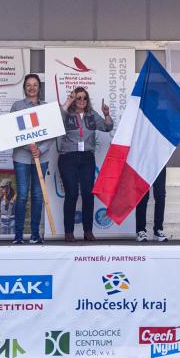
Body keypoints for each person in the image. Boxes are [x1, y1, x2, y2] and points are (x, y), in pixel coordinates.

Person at [58, 87, 113, 242]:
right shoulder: (66, 113)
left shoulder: (92, 115)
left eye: (84, 98)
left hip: (87, 158)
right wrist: (68, 101)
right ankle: (68, 232)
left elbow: (107, 127)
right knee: (72, 194)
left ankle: (88, 231)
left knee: (88, 194)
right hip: (68, 157)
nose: (82, 101)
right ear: (74, 99)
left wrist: (106, 114)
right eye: (78, 98)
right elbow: (56, 120)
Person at [9, 73, 50, 244]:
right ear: (24, 88)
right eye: (28, 85)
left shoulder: (46, 108)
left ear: (39, 88)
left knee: (38, 196)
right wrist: (29, 147)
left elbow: (52, 133)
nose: (32, 88)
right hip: (22, 157)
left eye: (35, 85)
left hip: (42, 157)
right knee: (22, 195)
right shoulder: (17, 106)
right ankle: (18, 236)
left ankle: (35, 235)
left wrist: (40, 149)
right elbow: (12, 131)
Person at [134, 170, 168, 242]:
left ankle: (158, 230)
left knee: (160, 194)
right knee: (143, 194)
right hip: (144, 164)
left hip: (159, 164)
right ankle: (140, 230)